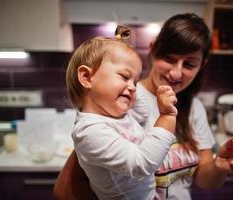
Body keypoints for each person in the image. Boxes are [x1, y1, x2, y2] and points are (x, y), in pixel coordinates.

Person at [54, 13, 233, 200]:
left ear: (201, 66)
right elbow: (65, 190)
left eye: (189, 64)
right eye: (168, 58)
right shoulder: (115, 107)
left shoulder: (194, 108)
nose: (176, 73)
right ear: (152, 49)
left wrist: (220, 165)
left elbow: (205, 181)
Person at [66, 25, 178, 200]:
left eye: (136, 80)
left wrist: (131, 85)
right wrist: (167, 116)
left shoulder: (116, 114)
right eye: (125, 77)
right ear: (87, 78)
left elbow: (142, 114)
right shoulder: (89, 132)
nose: (133, 87)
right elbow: (141, 164)